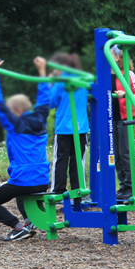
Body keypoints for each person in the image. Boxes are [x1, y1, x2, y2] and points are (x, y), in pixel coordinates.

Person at [0, 57, 51, 242]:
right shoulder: (40, 120)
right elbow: (44, 98)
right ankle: (30, 221)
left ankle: (18, 227)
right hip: (42, 179)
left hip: (24, 179)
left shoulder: (15, 123)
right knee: (20, 191)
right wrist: (42, 70)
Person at [48, 53, 90, 206]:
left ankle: (58, 192)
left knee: (60, 160)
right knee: (78, 161)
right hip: (81, 127)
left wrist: (50, 82)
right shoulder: (85, 79)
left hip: (64, 127)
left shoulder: (60, 81)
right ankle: (79, 193)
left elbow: (51, 102)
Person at [110, 45, 135, 200]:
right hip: (110, 119)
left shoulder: (128, 74)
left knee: (124, 153)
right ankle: (123, 186)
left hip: (124, 119)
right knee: (115, 154)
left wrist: (125, 94)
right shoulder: (103, 76)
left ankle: (130, 186)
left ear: (117, 57)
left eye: (108, 54)